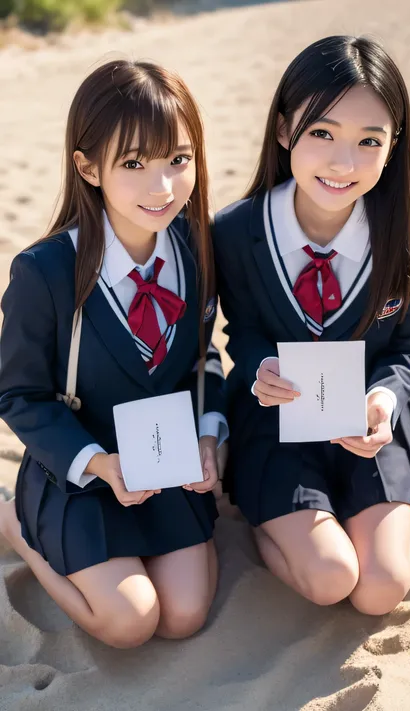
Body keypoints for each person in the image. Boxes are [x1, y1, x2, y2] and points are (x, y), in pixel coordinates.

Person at [213, 36, 410, 616]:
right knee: (330, 578)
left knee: (379, 590)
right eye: (322, 133)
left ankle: (372, 502)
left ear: (393, 148)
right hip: (276, 419)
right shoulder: (235, 233)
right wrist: (259, 367)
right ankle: (273, 516)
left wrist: (382, 404)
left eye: (369, 141)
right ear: (285, 130)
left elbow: (409, 352)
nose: (344, 163)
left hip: (368, 422)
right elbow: (238, 333)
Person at [0, 60, 227, 647]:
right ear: (87, 166)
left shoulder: (196, 249)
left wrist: (208, 433)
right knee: (130, 623)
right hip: (82, 470)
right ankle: (16, 522)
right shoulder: (44, 271)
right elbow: (18, 395)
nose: (163, 187)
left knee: (183, 617)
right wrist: (99, 463)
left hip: (166, 463)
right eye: (133, 164)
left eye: (179, 159)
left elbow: (204, 360)